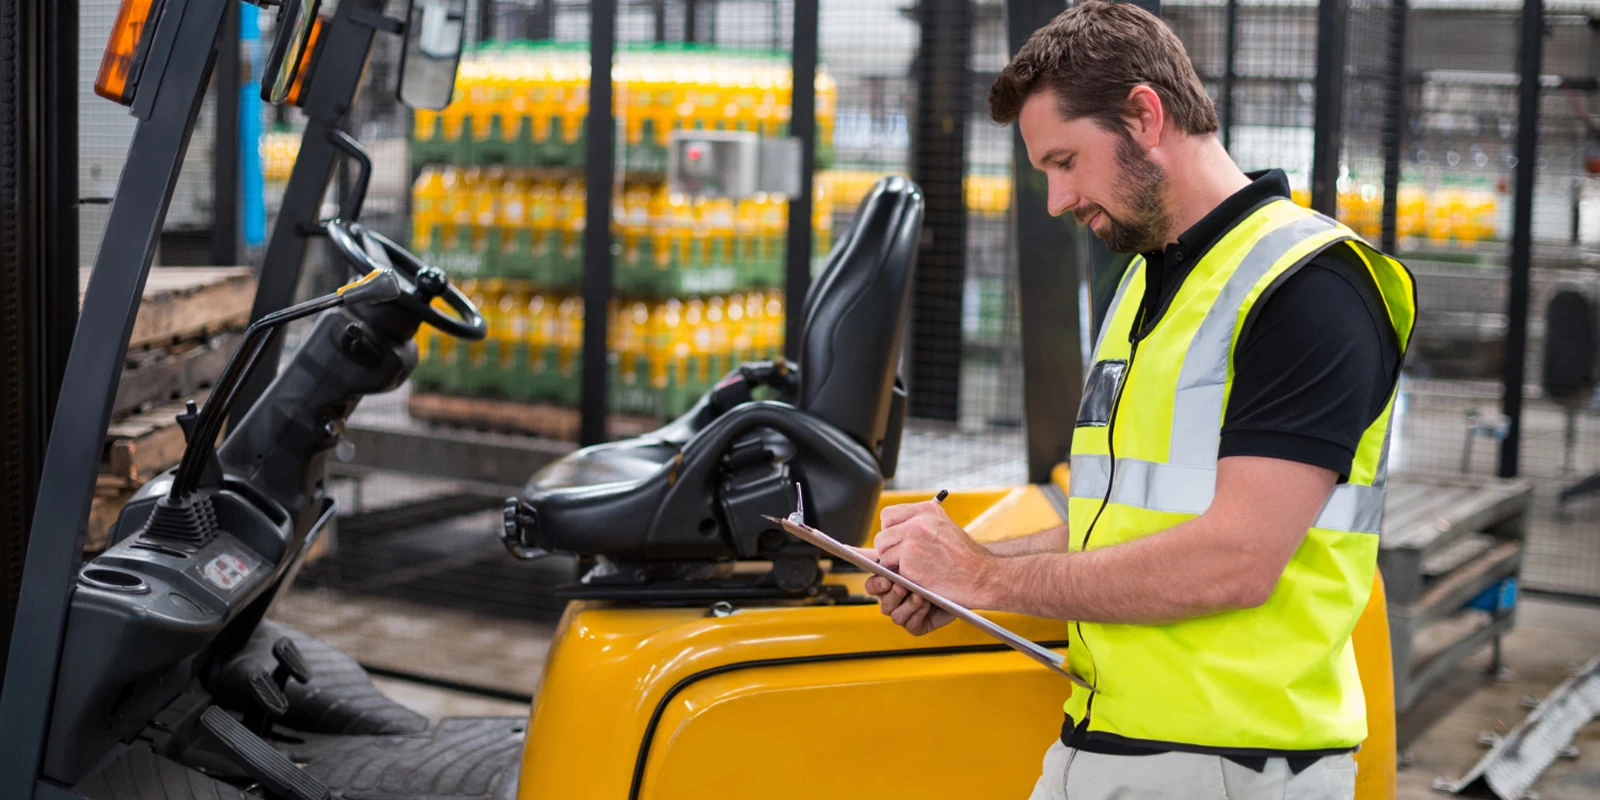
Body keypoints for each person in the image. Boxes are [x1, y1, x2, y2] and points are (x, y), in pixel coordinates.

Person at [863, 3, 1415, 799]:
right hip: (1108, 742)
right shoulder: (1145, 286)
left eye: (1065, 161)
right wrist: (959, 572)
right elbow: (1122, 526)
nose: (1055, 200)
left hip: (1232, 766)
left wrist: (987, 579)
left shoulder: (1310, 287)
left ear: (1144, 115)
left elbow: (1236, 560)